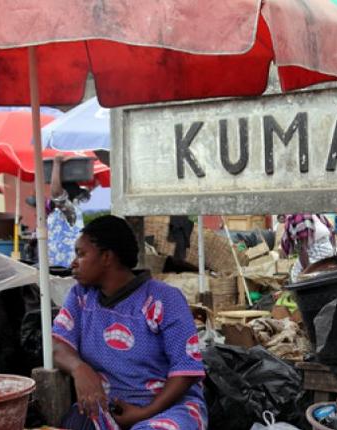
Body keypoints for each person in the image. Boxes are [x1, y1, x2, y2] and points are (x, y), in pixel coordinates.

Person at [53, 215, 207, 430]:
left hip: (168, 408)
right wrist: (79, 369)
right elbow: (57, 344)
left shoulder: (164, 299)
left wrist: (144, 414)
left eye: (81, 254)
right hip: (106, 408)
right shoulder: (80, 296)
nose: (73, 263)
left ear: (106, 257)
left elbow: (186, 369)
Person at [48, 153, 88, 268]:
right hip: (59, 266)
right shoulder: (60, 212)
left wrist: (56, 164)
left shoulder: (69, 210)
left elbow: (56, 193)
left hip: (66, 267)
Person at [281, 213, 336, 282]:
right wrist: (307, 275)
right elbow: (301, 249)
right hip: (316, 261)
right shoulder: (303, 217)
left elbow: (301, 249)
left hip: (321, 260)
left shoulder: (315, 216)